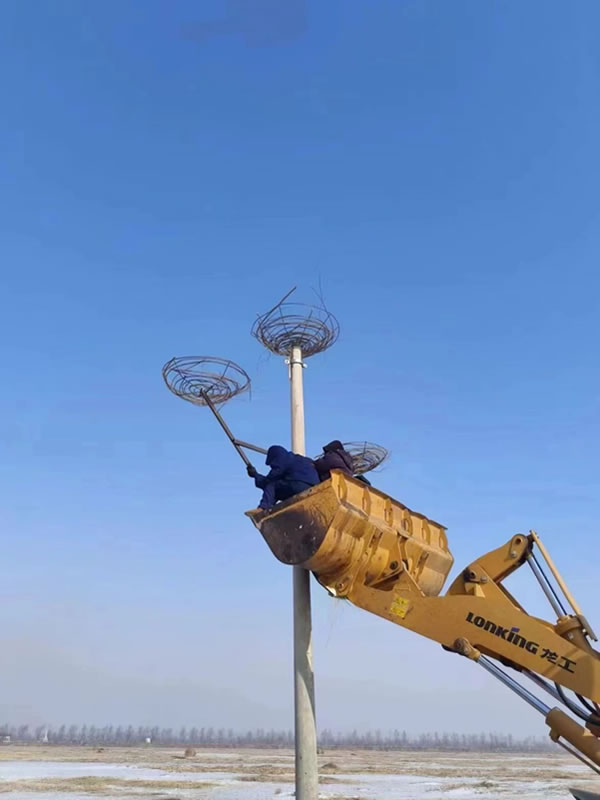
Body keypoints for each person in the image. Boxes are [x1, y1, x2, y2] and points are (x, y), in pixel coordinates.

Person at [248, 445, 319, 511]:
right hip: (314, 487)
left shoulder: (281, 460)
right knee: (278, 489)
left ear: (274, 458)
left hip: (298, 485)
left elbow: (269, 480)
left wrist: (255, 475)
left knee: (272, 485)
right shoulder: (301, 459)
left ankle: (263, 508)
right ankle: (269, 507)